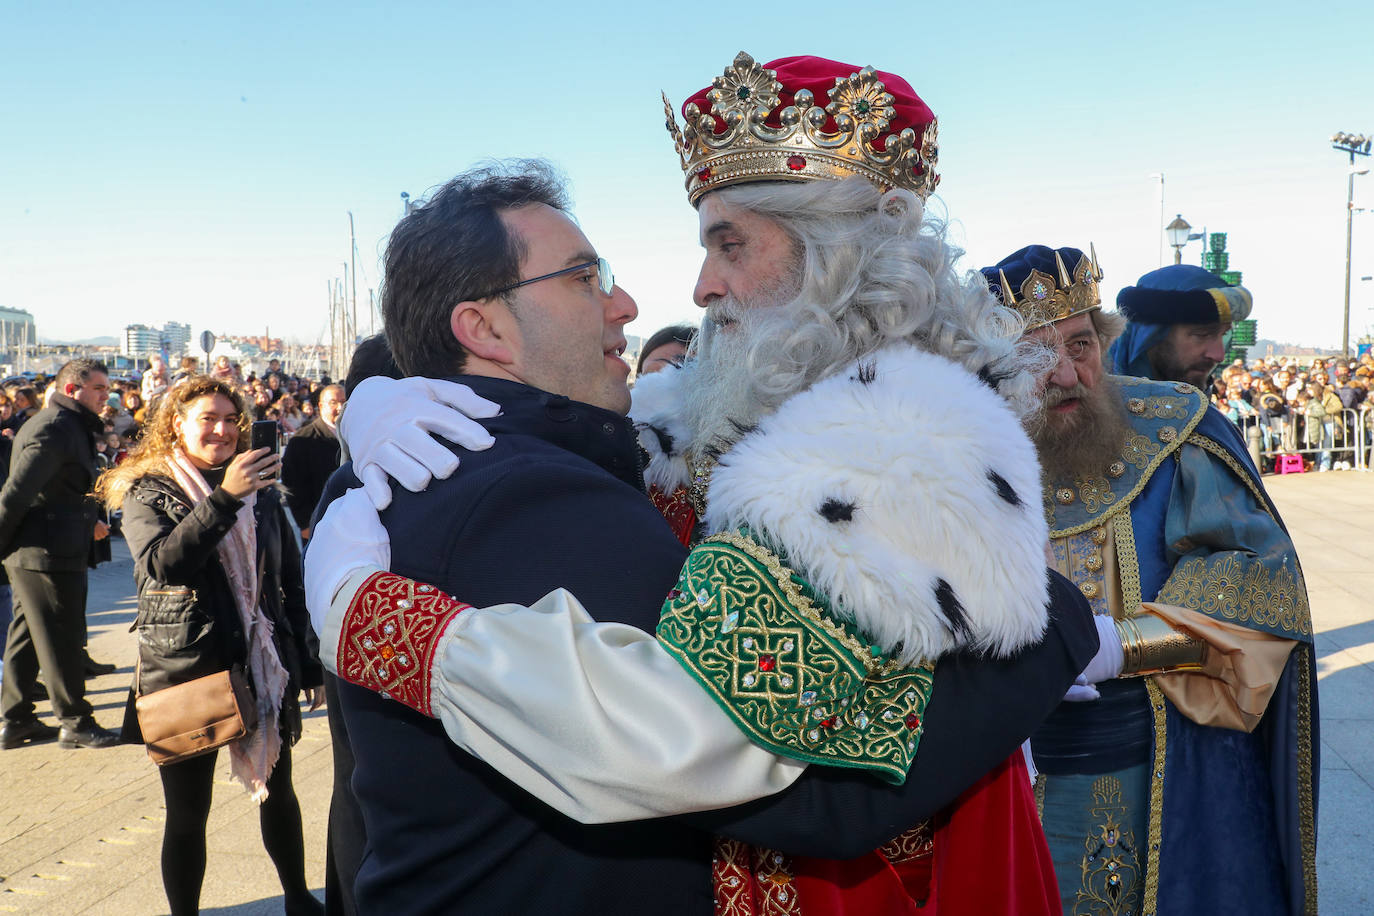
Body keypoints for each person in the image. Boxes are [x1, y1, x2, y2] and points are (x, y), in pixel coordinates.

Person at [307, 54, 1097, 915]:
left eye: (730, 244)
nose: (695, 288)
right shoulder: (711, 399)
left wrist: (374, 617)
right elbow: (591, 420)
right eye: (587, 279)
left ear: (837, 258)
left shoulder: (907, 437)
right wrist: (388, 396)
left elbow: (708, 735)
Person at [982, 245, 1317, 915]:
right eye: (1034, 356)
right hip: (1000, 779)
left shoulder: (1177, 431)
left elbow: (1257, 577)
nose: (1066, 374)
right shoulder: (954, 446)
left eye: (1081, 345)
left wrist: (1118, 644)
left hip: (1155, 770)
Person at [93, 376, 325, 916]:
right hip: (186, 666)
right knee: (188, 810)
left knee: (280, 792)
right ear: (178, 423)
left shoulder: (261, 487)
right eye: (207, 419)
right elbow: (163, 565)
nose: (221, 430)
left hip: (262, 660)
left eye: (230, 420)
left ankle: (298, 898)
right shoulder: (149, 489)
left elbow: (286, 577)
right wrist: (224, 498)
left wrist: (307, 663)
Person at [0, 360, 117, 749]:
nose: (106, 396)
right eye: (99, 389)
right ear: (72, 390)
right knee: (60, 635)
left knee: (28, 635)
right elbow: (18, 492)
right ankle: (75, 722)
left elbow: (61, 491)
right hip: (44, 552)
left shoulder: (69, 425)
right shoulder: (55, 427)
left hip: (50, 546)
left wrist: (90, 522)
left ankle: (15, 720)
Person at [1108, 264, 1252, 390]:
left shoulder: (1213, 419)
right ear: (1150, 336)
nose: (1219, 355)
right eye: (1202, 334)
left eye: (1223, 335)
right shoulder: (1092, 414)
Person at [281, 384, 345, 539]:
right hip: (319, 524)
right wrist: (305, 523)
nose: (340, 407)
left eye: (344, 402)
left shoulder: (355, 434)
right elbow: (292, 485)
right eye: (333, 402)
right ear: (321, 406)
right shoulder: (303, 440)